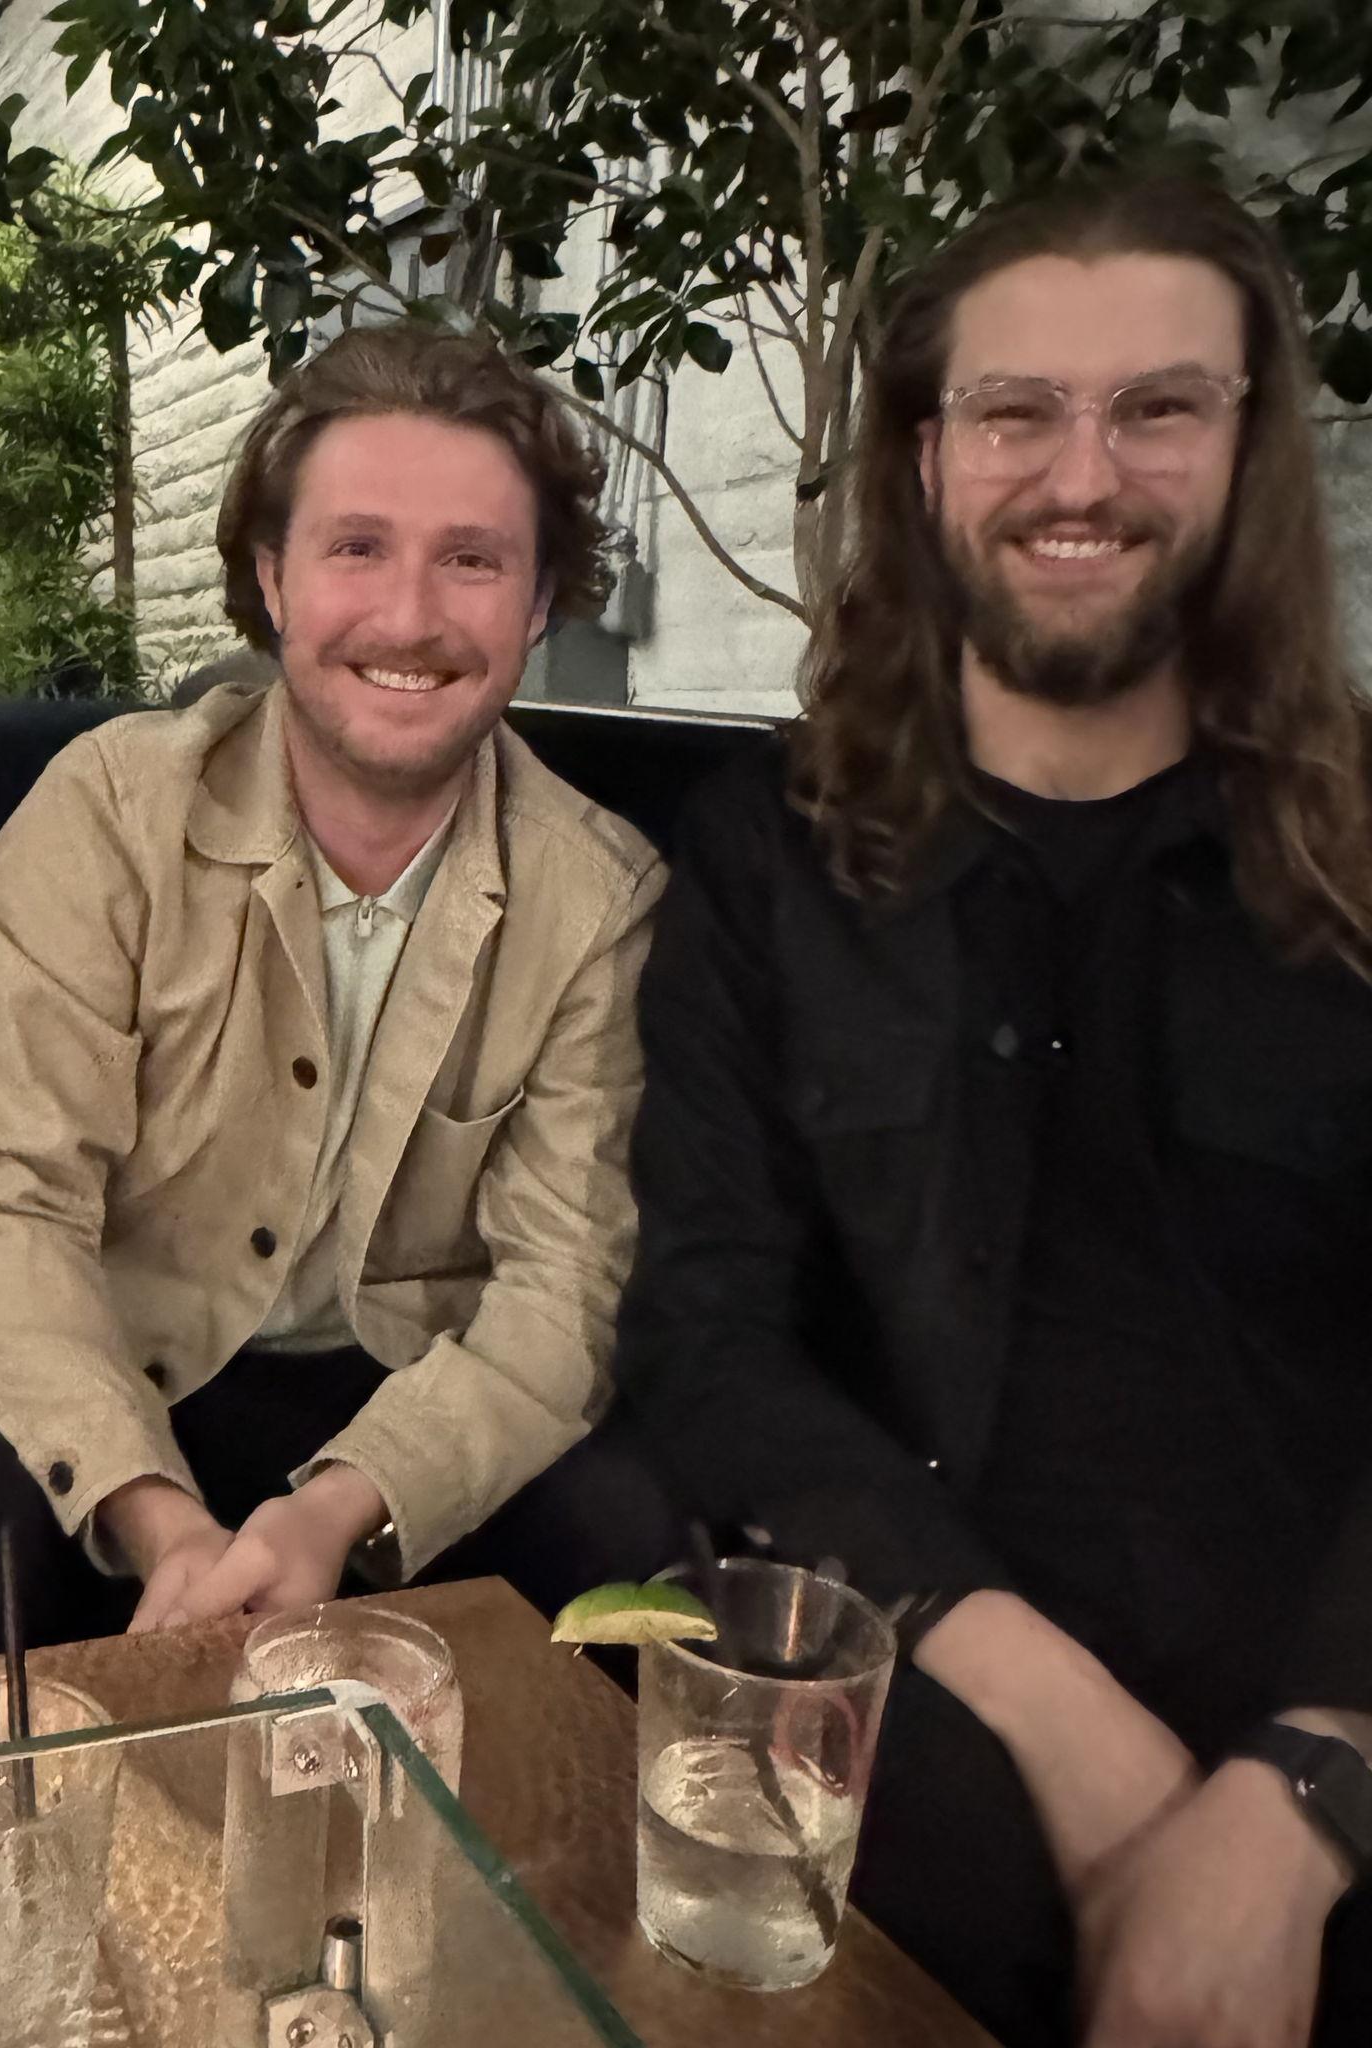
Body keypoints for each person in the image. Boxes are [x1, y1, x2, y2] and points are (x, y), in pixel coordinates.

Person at [615, 174, 1372, 2046]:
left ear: (1251, 446)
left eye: (1159, 408)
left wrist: (1314, 1777)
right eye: (1017, 411)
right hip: (931, 1652)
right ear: (927, 458)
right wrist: (1070, 1728)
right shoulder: (763, 866)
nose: (1081, 477)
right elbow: (703, 1336)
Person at [0, 320, 668, 1662]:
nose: (408, 617)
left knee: (624, 1541)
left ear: (540, 601)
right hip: (106, 1339)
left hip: (403, 1384)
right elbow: (9, 1205)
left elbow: (562, 1290)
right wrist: (160, 1518)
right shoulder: (109, 811)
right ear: (272, 578)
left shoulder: (599, 895)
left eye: (471, 559)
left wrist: (341, 1510)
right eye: (356, 548)